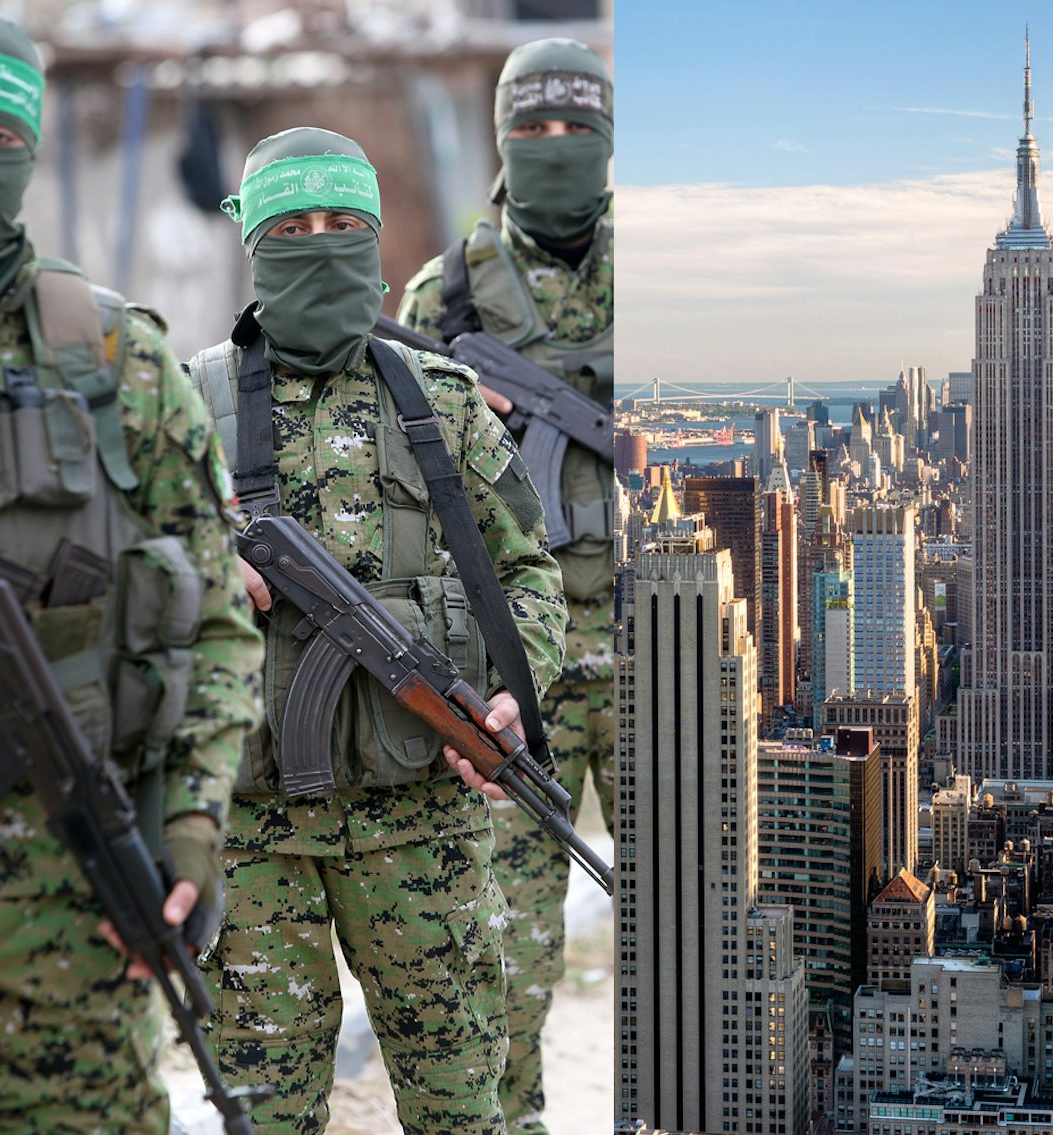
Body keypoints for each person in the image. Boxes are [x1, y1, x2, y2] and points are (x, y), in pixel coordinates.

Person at [0, 4, 265, 1127]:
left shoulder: (121, 360)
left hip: (74, 887)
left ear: (31, 152)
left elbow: (219, 618)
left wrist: (192, 825)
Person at [190, 127, 568, 1133]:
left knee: (458, 1108)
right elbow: (114, 584)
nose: (320, 244)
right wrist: (196, 576)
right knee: (264, 1113)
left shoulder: (440, 404)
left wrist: (508, 699)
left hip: (422, 823)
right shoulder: (188, 403)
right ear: (252, 243)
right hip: (251, 829)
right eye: (293, 227)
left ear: (376, 240)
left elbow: (525, 574)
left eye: (343, 225)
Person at [395, 38, 612, 1132]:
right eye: (531, 128)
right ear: (498, 139)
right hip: (512, 655)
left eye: (576, 127)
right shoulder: (448, 292)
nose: (555, 149)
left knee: (706, 932)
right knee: (504, 946)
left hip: (659, 643)